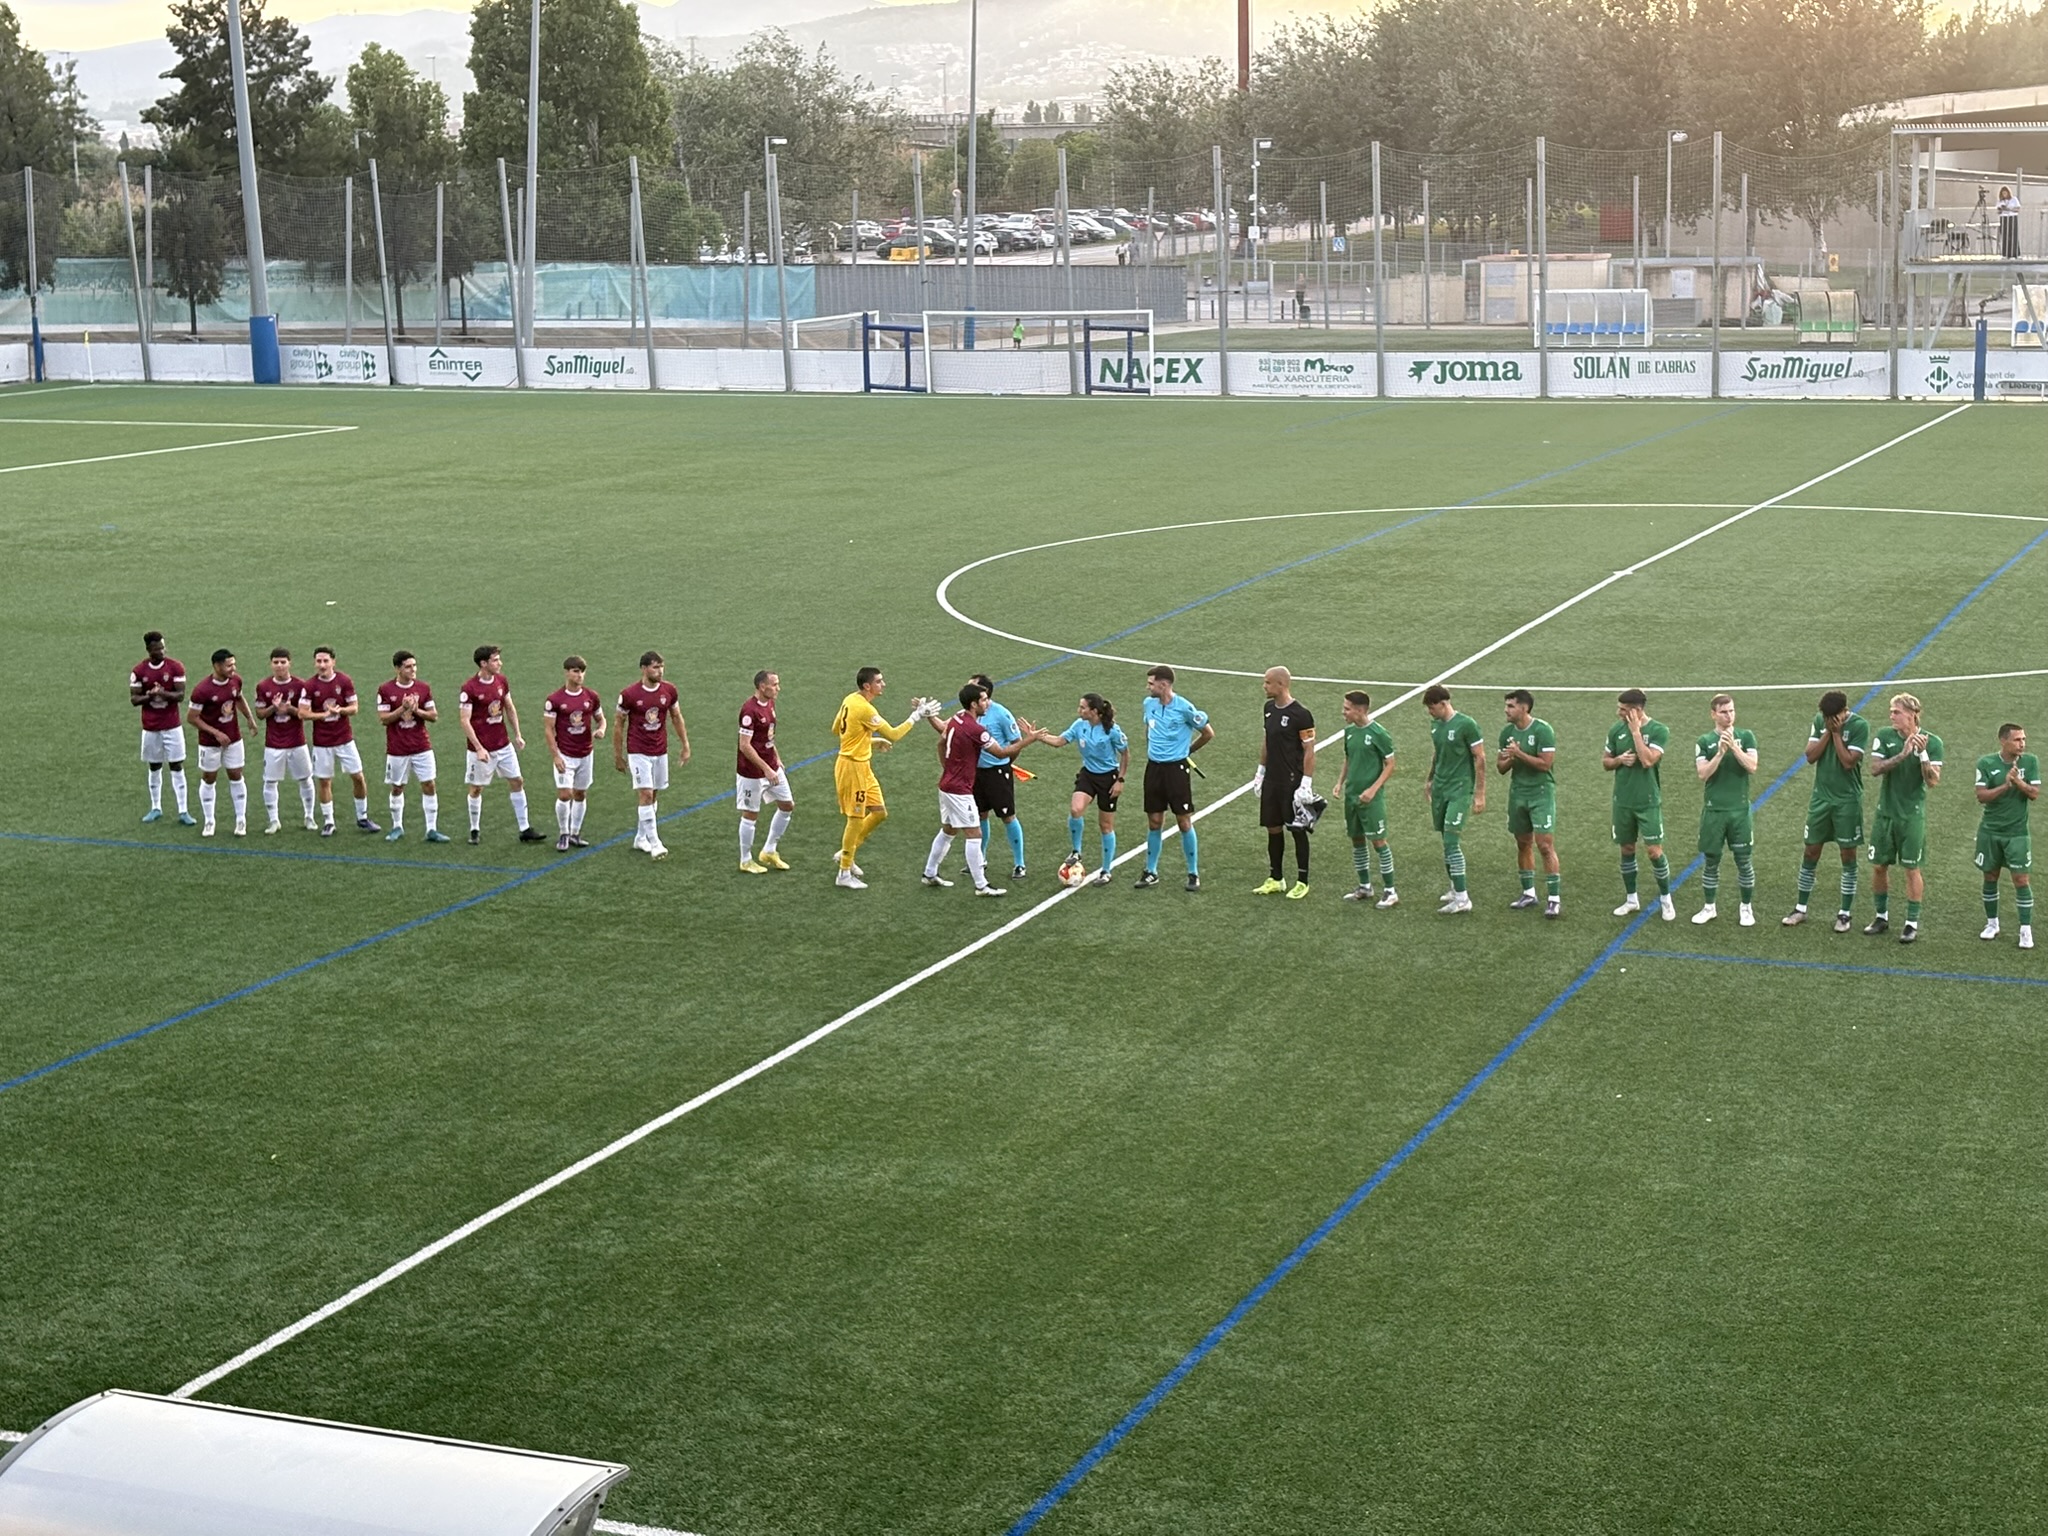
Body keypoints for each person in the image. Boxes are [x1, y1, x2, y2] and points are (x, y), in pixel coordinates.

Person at [831, 666, 937, 890]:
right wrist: (916, 716)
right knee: (855, 818)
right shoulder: (866, 710)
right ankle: (844, 872)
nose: (884, 684)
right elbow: (894, 734)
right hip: (852, 769)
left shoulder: (850, 700)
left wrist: (869, 741)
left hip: (862, 765)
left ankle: (846, 855)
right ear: (867, 686)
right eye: (879, 681)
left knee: (879, 812)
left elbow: (837, 730)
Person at [921, 683, 1030, 895]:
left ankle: (930, 873)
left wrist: (948, 767)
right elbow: (1001, 753)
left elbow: (940, 743)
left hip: (946, 785)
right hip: (960, 790)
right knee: (974, 834)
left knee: (949, 829)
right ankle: (981, 885)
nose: (986, 702)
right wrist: (1031, 739)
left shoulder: (957, 719)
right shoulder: (976, 730)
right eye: (983, 699)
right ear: (974, 704)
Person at [1785, 689, 1870, 931]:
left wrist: (1836, 735)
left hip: (1847, 801)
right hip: (1820, 799)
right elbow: (1810, 756)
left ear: (1844, 712)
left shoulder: (1860, 726)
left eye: (1832, 716)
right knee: (1811, 851)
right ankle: (1800, 908)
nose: (1828, 719)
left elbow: (1847, 761)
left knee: (1848, 856)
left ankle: (1844, 913)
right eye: (1825, 716)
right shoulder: (1820, 722)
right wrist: (1827, 732)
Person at [1028, 692, 1128, 886]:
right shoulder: (1079, 725)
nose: (1079, 710)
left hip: (1108, 778)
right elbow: (1059, 742)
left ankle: (1106, 870)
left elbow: (1125, 754)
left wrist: (1120, 780)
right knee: (1075, 809)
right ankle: (1076, 851)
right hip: (1088, 775)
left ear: (1095, 711)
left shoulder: (1112, 731)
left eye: (1083, 707)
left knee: (1105, 826)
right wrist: (1037, 737)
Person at [1866, 693, 1942, 942]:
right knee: (1879, 865)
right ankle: (1881, 917)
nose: (1891, 716)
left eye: (1896, 712)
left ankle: (1911, 923)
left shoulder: (1933, 742)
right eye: (1891, 711)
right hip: (1885, 813)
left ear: (1911, 715)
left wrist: (1921, 754)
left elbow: (1932, 781)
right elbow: (1875, 769)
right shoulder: (1884, 736)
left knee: (1911, 868)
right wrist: (1903, 753)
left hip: (1911, 816)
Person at [1137, 664, 1214, 892]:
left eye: (1151, 683)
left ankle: (1193, 873)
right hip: (1154, 769)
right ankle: (1151, 871)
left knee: (1183, 821)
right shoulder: (1148, 704)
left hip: (1176, 771)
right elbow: (1148, 729)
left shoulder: (1185, 708)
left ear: (1164, 684)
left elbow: (1208, 733)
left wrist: (1187, 751)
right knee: (1154, 822)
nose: (1148, 687)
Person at [459, 645, 543, 845]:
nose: (500, 663)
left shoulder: (501, 681)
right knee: (476, 788)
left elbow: (509, 707)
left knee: (517, 781)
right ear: (484, 663)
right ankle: (474, 829)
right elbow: (464, 720)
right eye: (495, 660)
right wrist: (478, 747)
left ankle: (525, 829)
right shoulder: (469, 688)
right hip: (481, 749)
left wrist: (518, 734)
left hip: (503, 745)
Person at [1605, 688, 1674, 921]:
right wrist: (1618, 760)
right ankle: (1631, 899)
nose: (1618, 713)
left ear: (1636, 711)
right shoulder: (1615, 730)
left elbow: (1647, 761)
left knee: (1654, 851)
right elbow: (1605, 762)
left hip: (1648, 802)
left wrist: (1635, 732)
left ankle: (1666, 899)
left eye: (1623, 710)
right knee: (1626, 849)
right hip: (1623, 801)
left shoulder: (1659, 730)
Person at [614, 651, 690, 860]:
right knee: (645, 794)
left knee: (654, 795)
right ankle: (655, 843)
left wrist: (685, 745)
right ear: (644, 669)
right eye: (655, 667)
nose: (660, 671)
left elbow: (676, 716)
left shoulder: (669, 691)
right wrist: (618, 754)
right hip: (638, 751)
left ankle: (640, 837)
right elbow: (619, 724)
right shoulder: (629, 695)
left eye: (661, 666)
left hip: (660, 750)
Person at [1692, 693, 1759, 927]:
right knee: (1711, 860)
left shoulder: (1747, 737)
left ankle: (1746, 908)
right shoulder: (1704, 741)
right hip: (1714, 811)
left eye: (1731, 710)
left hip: (1739, 811)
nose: (1729, 716)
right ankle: (1709, 907)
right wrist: (1720, 753)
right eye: (1723, 712)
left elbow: (1752, 767)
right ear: (1713, 714)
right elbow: (1703, 774)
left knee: (1743, 861)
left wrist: (1734, 748)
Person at [1252, 666, 1317, 899]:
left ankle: (1302, 880)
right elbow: (1267, 740)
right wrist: (1260, 771)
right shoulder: (1268, 709)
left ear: (1281, 684)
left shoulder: (1301, 714)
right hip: (1272, 779)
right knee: (1273, 828)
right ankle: (1276, 878)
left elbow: (1309, 750)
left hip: (1292, 781)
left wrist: (1306, 782)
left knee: (1297, 830)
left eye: (1268, 683)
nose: (1264, 686)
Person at [301, 646, 378, 836]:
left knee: (358, 777)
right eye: (318, 661)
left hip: (345, 739)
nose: (322, 664)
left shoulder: (344, 681)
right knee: (325, 781)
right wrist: (323, 715)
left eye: (326, 661)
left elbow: (354, 708)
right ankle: (329, 821)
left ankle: (362, 817)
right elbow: (303, 713)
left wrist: (340, 711)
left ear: (333, 662)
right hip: (322, 742)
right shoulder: (310, 686)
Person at [1497, 689, 1560, 918]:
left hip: (1541, 793)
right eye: (1506, 705)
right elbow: (1501, 768)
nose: (1506, 710)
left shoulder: (1543, 730)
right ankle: (1529, 893)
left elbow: (1545, 764)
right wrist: (1511, 757)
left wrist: (1519, 754)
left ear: (1524, 708)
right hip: (1518, 793)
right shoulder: (1507, 733)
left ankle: (1554, 898)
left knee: (1545, 845)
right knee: (1523, 843)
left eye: (1511, 706)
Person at [1974, 723, 2037, 949]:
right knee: (1990, 876)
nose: (2022, 743)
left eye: (2023, 739)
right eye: (2017, 739)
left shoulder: (2030, 763)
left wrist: (2018, 782)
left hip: (2017, 834)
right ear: (2003, 740)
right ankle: (1992, 924)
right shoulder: (1986, 763)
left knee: (2021, 879)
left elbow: (2034, 794)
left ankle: (2025, 930)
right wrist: (2005, 785)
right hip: (1990, 831)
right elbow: (1982, 796)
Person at [1422, 684, 1485, 913]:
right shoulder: (1435, 726)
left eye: (1432, 707)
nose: (1430, 712)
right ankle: (1454, 887)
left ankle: (1462, 898)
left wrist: (1479, 793)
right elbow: (1437, 752)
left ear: (1443, 703)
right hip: (1441, 787)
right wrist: (1430, 779)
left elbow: (1480, 758)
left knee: (1451, 841)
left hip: (1460, 789)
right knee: (1445, 839)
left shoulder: (1467, 725)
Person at [376, 651, 449, 843]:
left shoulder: (423, 688)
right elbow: (383, 719)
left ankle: (431, 829)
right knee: (397, 787)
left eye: (414, 665)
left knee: (429, 784)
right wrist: (403, 708)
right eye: (408, 666)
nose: (413, 669)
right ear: (398, 668)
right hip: (397, 749)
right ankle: (397, 826)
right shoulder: (385, 689)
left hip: (421, 746)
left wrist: (416, 709)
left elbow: (433, 716)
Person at [1338, 691, 1398, 908]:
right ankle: (1365, 886)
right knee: (1356, 840)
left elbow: (1391, 764)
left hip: (1371, 799)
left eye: (1347, 708)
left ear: (1360, 710)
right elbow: (1348, 758)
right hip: (1352, 796)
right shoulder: (1349, 732)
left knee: (1379, 841)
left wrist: (1373, 789)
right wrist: (1339, 782)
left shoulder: (1379, 733)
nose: (1343, 712)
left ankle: (1390, 891)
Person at [187, 648, 254, 837]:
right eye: (229, 665)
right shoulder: (202, 690)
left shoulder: (236, 681)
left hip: (233, 738)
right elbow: (192, 718)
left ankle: (241, 820)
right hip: (209, 742)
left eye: (234, 664)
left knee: (235, 774)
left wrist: (249, 718)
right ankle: (209, 821)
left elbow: (238, 698)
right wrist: (215, 733)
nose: (233, 668)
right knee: (209, 777)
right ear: (217, 666)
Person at [542, 657, 606, 852]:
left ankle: (575, 833)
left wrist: (601, 729)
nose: (580, 676)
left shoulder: (591, 696)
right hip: (566, 754)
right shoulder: (555, 700)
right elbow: (548, 730)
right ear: (567, 672)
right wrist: (555, 756)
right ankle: (563, 833)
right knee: (565, 794)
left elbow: (601, 719)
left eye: (582, 672)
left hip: (586, 753)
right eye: (576, 671)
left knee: (580, 793)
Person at [131, 630, 194, 826]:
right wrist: (150, 696)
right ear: (149, 650)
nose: (161, 651)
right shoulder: (139, 671)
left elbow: (180, 696)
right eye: (157, 648)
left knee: (176, 765)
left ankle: (183, 811)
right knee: (154, 765)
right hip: (150, 727)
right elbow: (134, 699)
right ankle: (155, 807)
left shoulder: (175, 667)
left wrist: (162, 693)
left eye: (163, 647)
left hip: (172, 726)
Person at [969, 672, 1028, 878]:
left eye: (972, 687)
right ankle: (980, 859)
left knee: (1007, 816)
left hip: (998, 772)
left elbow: (1016, 741)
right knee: (980, 815)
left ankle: (1019, 863)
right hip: (976, 773)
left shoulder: (1001, 713)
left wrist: (1005, 762)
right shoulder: (970, 713)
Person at [736, 669, 793, 872]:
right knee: (750, 814)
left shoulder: (770, 703)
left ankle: (769, 850)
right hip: (751, 773)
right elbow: (745, 745)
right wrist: (767, 769)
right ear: (762, 686)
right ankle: (745, 860)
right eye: (775, 684)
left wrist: (776, 758)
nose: (778, 688)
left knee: (787, 805)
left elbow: (769, 736)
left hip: (771, 766)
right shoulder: (749, 711)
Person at [255, 647, 316, 834]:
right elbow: (260, 714)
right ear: (271, 664)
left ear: (290, 663)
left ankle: (309, 816)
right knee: (270, 781)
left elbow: (305, 714)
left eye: (283, 662)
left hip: (297, 741)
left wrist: (289, 709)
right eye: (276, 662)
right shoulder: (263, 686)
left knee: (305, 779)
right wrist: (273, 709)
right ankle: (274, 821)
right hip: (273, 743)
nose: (279, 666)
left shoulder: (300, 686)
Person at [1998, 185, 2021, 260]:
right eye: (2003, 193)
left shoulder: (2013, 199)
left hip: (2012, 218)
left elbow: (2017, 209)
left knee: (2013, 235)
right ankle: (2005, 253)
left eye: (2006, 193)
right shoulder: (2000, 201)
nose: (2004, 195)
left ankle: (2014, 253)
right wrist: (2001, 209)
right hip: (2004, 218)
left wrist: (2009, 209)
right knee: (2005, 236)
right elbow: (1998, 210)